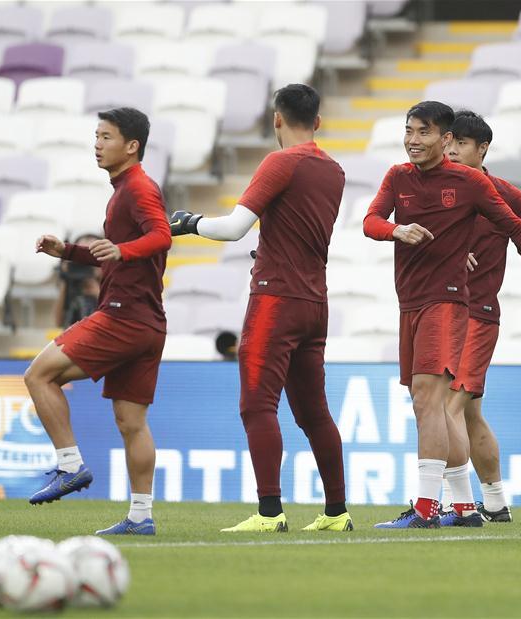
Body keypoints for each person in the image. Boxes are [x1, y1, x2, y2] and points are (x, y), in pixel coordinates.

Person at [364, 101, 521, 529]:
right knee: (454, 409)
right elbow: (370, 220)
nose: (414, 140)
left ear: (462, 142)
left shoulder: (481, 187)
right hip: (412, 302)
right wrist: (398, 230)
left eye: (426, 132)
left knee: (436, 402)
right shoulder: (398, 176)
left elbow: (520, 234)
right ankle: (474, 506)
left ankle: (428, 508)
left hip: (466, 307)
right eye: (409, 131)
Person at [169, 84, 352, 533]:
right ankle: (336, 513)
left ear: (276, 119)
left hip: (276, 300)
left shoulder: (280, 162)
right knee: (314, 413)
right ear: (318, 122)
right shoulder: (335, 170)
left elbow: (234, 228)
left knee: (257, 405)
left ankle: (270, 513)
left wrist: (190, 223)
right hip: (315, 301)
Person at [26, 107, 171, 536]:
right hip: (148, 322)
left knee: (38, 376)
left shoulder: (137, 188)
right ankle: (141, 517)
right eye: (96, 136)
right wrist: (68, 251)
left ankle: (70, 465)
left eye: (106, 137)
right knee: (131, 423)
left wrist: (123, 250)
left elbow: (161, 235)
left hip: (123, 316)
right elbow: (118, 252)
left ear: (132, 146)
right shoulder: (126, 189)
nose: (97, 144)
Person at [439, 111, 521, 525]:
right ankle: (494, 504)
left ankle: (454, 504)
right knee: (468, 413)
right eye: (448, 142)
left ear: (482, 149)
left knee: (448, 408)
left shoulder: (506, 196)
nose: (451, 151)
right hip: (439, 313)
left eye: (461, 144)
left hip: (478, 315)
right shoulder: (434, 188)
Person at [54, 233, 102, 328]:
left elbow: (117, 320)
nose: (86, 263)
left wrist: (98, 294)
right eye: (81, 256)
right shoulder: (72, 283)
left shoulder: (113, 285)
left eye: (92, 258)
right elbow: (59, 322)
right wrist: (66, 279)